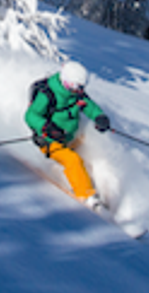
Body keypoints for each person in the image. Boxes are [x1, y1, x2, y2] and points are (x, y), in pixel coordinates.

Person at [25, 60, 111, 210]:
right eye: (77, 87)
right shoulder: (48, 94)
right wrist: (47, 127)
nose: (80, 90)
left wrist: (99, 117)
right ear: (67, 82)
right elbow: (30, 116)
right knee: (73, 160)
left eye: (82, 87)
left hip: (69, 137)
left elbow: (89, 106)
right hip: (49, 140)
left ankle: (99, 186)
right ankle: (87, 197)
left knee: (91, 148)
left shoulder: (76, 94)